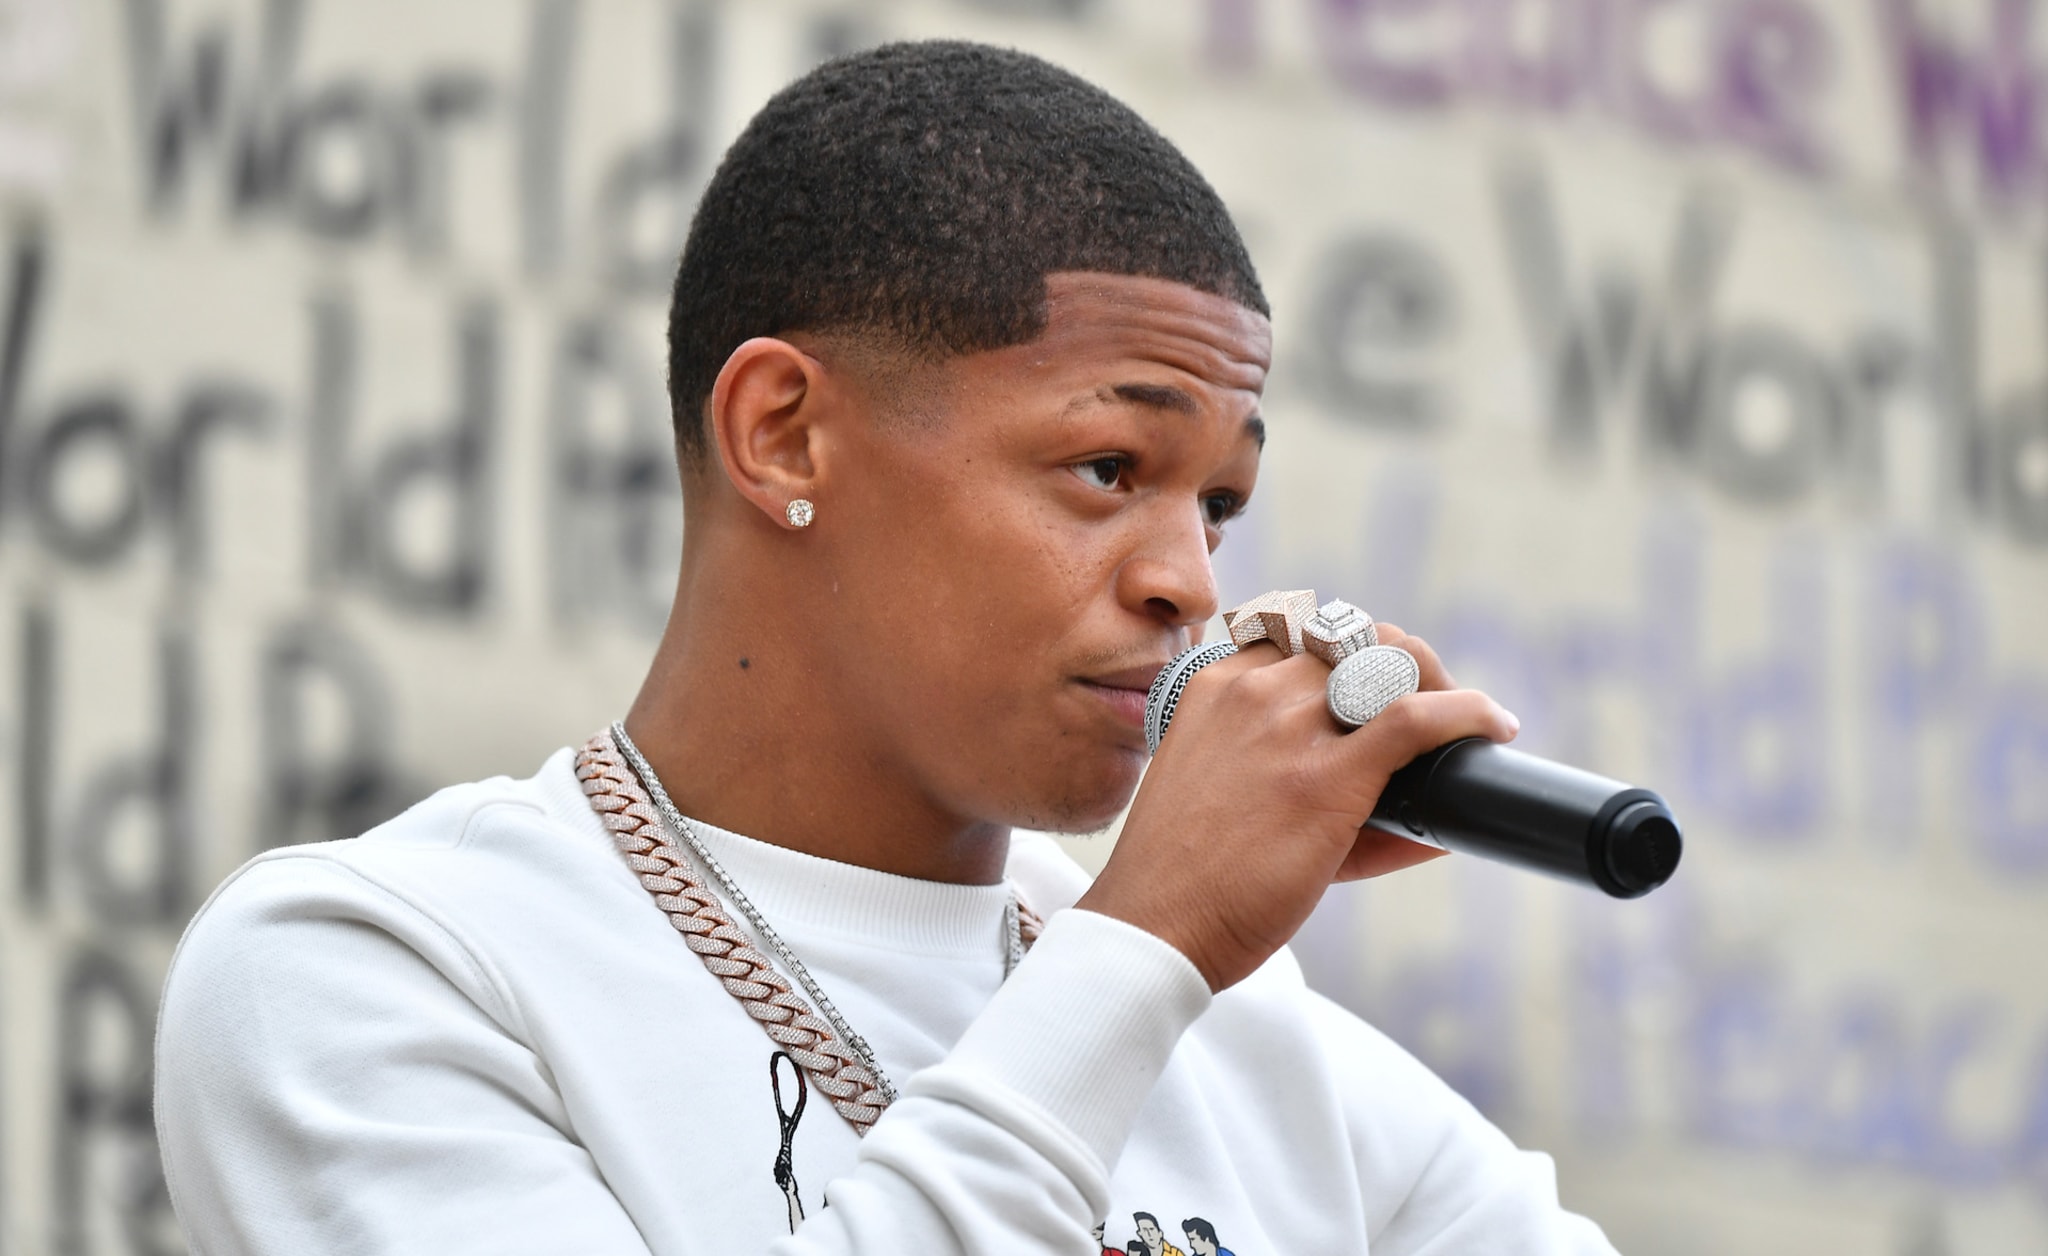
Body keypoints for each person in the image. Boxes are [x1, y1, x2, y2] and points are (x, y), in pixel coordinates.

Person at [155, 39, 1619, 1255]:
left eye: (1219, 504)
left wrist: (1159, 958)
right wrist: (1147, 944)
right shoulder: (376, 970)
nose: (1188, 581)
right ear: (784, 435)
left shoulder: (1250, 1043)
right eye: (1108, 468)